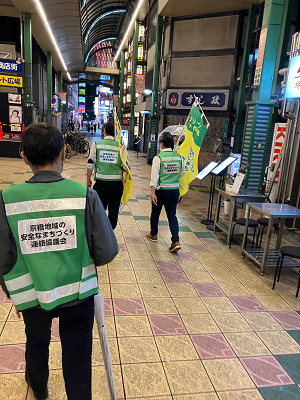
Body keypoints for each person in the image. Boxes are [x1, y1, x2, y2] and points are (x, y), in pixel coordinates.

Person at [0, 123, 118, 400]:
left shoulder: (7, 201)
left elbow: (3, 259)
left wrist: (14, 295)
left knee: (37, 343)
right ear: (65, 152)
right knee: (77, 357)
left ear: (24, 157)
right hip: (78, 298)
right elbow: (107, 251)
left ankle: (39, 390)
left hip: (32, 298)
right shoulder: (85, 196)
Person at [146, 131, 185, 252]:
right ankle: (175, 240)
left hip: (161, 190)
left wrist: (153, 193)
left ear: (162, 144)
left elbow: (154, 177)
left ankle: (153, 234)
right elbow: (182, 173)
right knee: (172, 215)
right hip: (174, 191)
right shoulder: (179, 157)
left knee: (155, 212)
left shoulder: (158, 158)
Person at [86, 121, 126, 230]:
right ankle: (110, 233)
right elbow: (126, 167)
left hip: (101, 184)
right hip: (117, 185)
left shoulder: (97, 144)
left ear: (104, 131)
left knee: (98, 211)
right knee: (113, 212)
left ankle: (100, 233)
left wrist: (88, 180)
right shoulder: (121, 146)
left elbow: (90, 163)